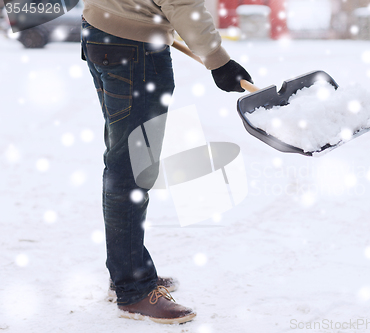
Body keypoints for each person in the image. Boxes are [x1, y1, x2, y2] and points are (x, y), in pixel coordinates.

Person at [80, 0, 252, 324]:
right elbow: (181, 3)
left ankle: (126, 274)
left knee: (123, 160)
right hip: (133, 51)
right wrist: (219, 61)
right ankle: (133, 289)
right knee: (131, 168)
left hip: (101, 32)